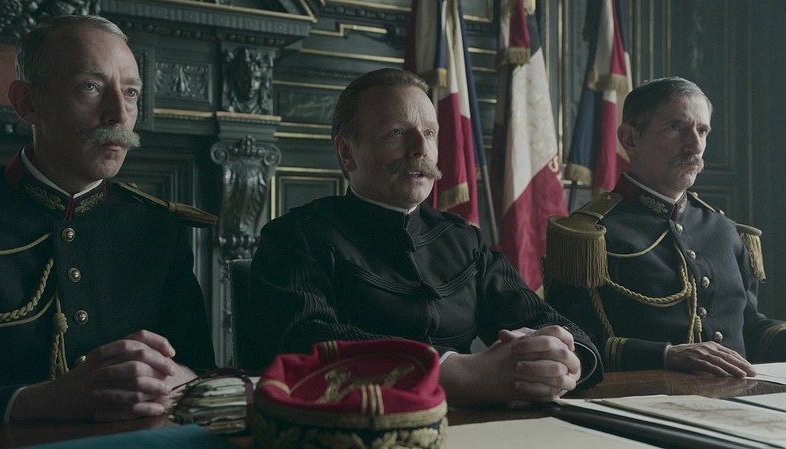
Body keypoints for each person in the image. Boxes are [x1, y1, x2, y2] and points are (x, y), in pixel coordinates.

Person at [242, 68, 603, 407]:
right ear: (347, 152)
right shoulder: (294, 237)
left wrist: (563, 361)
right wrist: (452, 371)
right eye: (397, 132)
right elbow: (304, 342)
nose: (421, 148)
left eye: (429, 133)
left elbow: (550, 322)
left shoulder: (465, 240)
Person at [0, 15, 216, 428]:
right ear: (27, 102)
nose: (119, 114)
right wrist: (40, 401)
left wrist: (181, 380)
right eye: (90, 87)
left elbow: (201, 370)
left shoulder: (157, 227)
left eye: (130, 92)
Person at [545, 76, 786, 377]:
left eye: (702, 131)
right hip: (640, 400)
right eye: (676, 127)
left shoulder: (724, 230)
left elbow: (749, 329)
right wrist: (664, 356)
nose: (695, 145)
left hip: (738, 398)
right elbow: (573, 345)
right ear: (630, 139)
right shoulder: (588, 238)